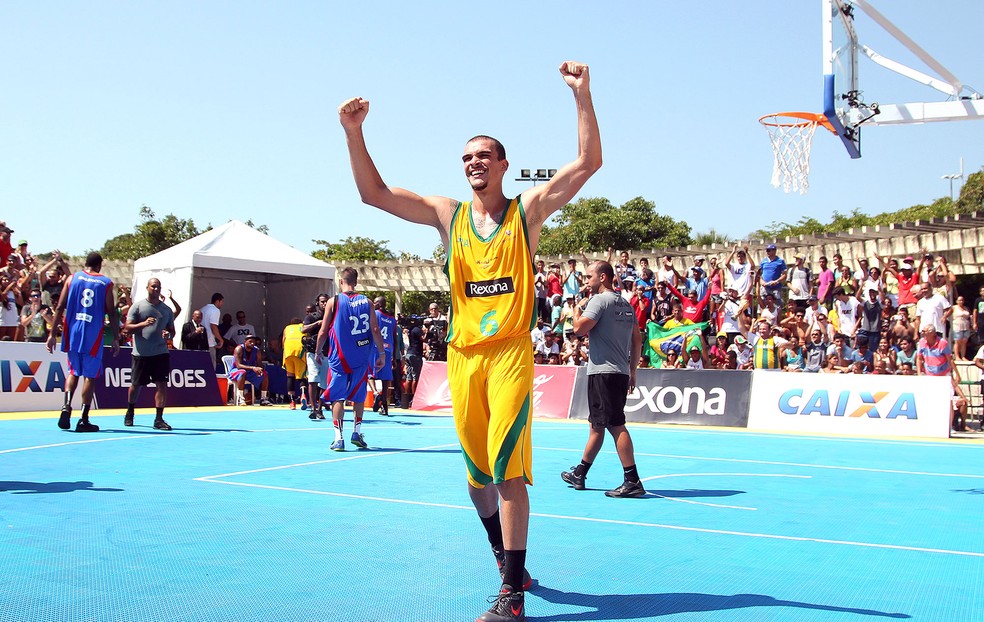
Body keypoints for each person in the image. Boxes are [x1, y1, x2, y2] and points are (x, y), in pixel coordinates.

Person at [338, 60, 600, 620]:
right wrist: (354, 133)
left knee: (507, 471)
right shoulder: (447, 215)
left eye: (483, 155)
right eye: (465, 158)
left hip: (507, 353)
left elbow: (587, 164)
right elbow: (374, 194)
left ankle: (511, 598)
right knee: (477, 479)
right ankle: (509, 563)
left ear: (504, 165)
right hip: (461, 357)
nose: (473, 162)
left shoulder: (525, 212)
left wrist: (582, 95)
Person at [563, 260, 645, 497]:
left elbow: (579, 329)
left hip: (603, 372)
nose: (586, 281)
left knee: (615, 424)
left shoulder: (598, 301)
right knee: (597, 425)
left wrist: (577, 309)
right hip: (618, 371)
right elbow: (636, 340)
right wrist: (632, 370)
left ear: (603, 277)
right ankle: (580, 472)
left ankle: (632, 480)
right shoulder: (625, 304)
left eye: (589, 276)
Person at [46, 252, 120, 432]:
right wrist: (117, 337)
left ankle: (66, 406)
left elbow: (60, 306)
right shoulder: (105, 283)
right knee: (90, 376)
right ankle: (83, 418)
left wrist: (52, 333)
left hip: (74, 331)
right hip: (93, 333)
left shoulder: (72, 279)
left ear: (85, 263)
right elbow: (111, 310)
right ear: (99, 265)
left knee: (73, 372)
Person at [315, 268, 385, 451]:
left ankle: (339, 438)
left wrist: (317, 351)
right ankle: (357, 432)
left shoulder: (335, 301)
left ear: (341, 281)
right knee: (359, 395)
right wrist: (382, 354)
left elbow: (323, 331)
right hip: (361, 355)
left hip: (339, 356)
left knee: (338, 396)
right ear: (357, 280)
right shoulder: (367, 302)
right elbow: (375, 330)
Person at [123, 278, 176, 430]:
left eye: (158, 287)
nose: (156, 289)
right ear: (147, 288)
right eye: (153, 286)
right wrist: (143, 324)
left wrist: (168, 335)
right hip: (141, 353)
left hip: (160, 353)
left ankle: (158, 419)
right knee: (136, 385)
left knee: (162, 385)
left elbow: (172, 331)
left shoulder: (166, 310)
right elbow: (128, 328)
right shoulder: (138, 307)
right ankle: (130, 411)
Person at [301, 294, 330, 419]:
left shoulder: (332, 316)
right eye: (322, 302)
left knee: (324, 382)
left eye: (326, 302)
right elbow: (303, 329)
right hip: (313, 352)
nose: (324, 304)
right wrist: (317, 323)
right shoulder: (311, 317)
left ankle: (320, 408)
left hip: (327, 352)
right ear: (317, 303)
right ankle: (312, 408)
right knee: (313, 378)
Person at [370, 296, 397, 416]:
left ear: (378, 304)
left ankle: (375, 393)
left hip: (375, 348)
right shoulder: (392, 319)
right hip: (388, 349)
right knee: (386, 379)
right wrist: (395, 356)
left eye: (375, 302)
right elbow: (395, 338)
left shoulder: (375, 314)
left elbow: (372, 329)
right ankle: (385, 406)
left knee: (369, 373)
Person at [229, 335, 273, 406]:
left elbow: (259, 363)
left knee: (265, 374)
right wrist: (253, 368)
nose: (252, 343)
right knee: (243, 372)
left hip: (249, 371)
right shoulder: (239, 349)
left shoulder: (257, 350)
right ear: (245, 342)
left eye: (254, 342)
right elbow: (238, 365)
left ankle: (263, 399)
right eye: (250, 342)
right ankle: (241, 398)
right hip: (236, 371)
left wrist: (261, 369)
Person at [281, 316, 306, 409]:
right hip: (299, 352)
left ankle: (292, 402)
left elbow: (283, 342)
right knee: (301, 377)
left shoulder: (287, 328)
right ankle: (303, 395)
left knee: (290, 377)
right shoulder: (303, 326)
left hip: (288, 352)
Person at [200, 293, 225, 369]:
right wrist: (221, 340)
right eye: (222, 302)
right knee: (210, 368)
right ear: (218, 301)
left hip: (201, 342)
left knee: (201, 367)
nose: (222, 304)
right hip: (209, 343)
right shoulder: (215, 310)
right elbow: (213, 326)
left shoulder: (202, 309)